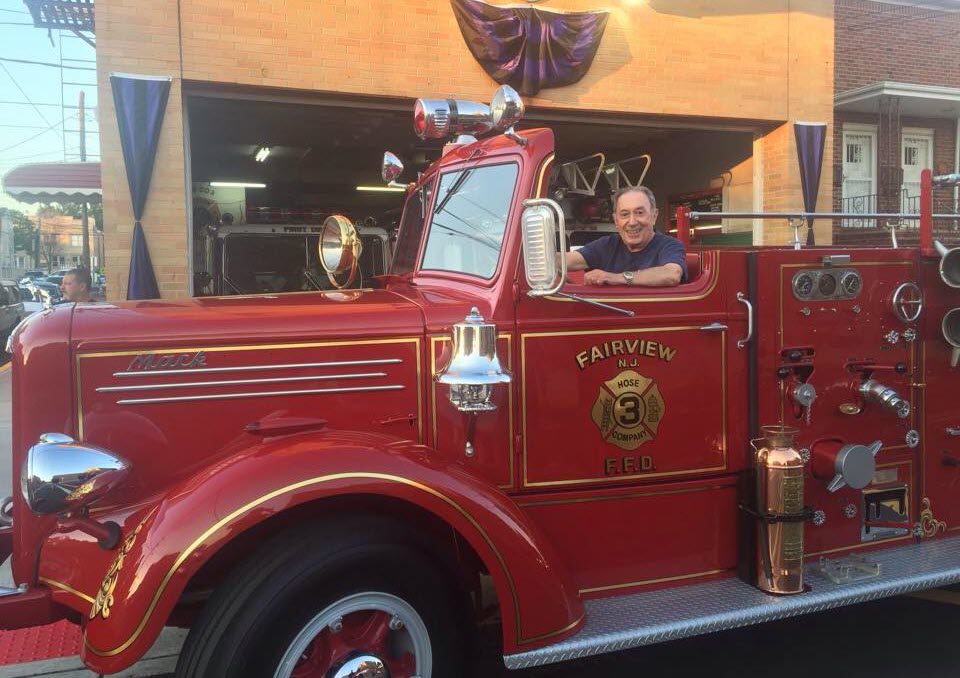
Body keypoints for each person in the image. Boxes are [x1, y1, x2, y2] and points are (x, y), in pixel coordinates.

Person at [564, 186, 686, 287]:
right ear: (616, 221)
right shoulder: (607, 245)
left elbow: (671, 274)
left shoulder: (670, 245)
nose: (632, 222)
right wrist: (547, 260)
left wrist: (614, 277)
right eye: (624, 214)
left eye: (639, 213)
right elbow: (564, 261)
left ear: (654, 216)